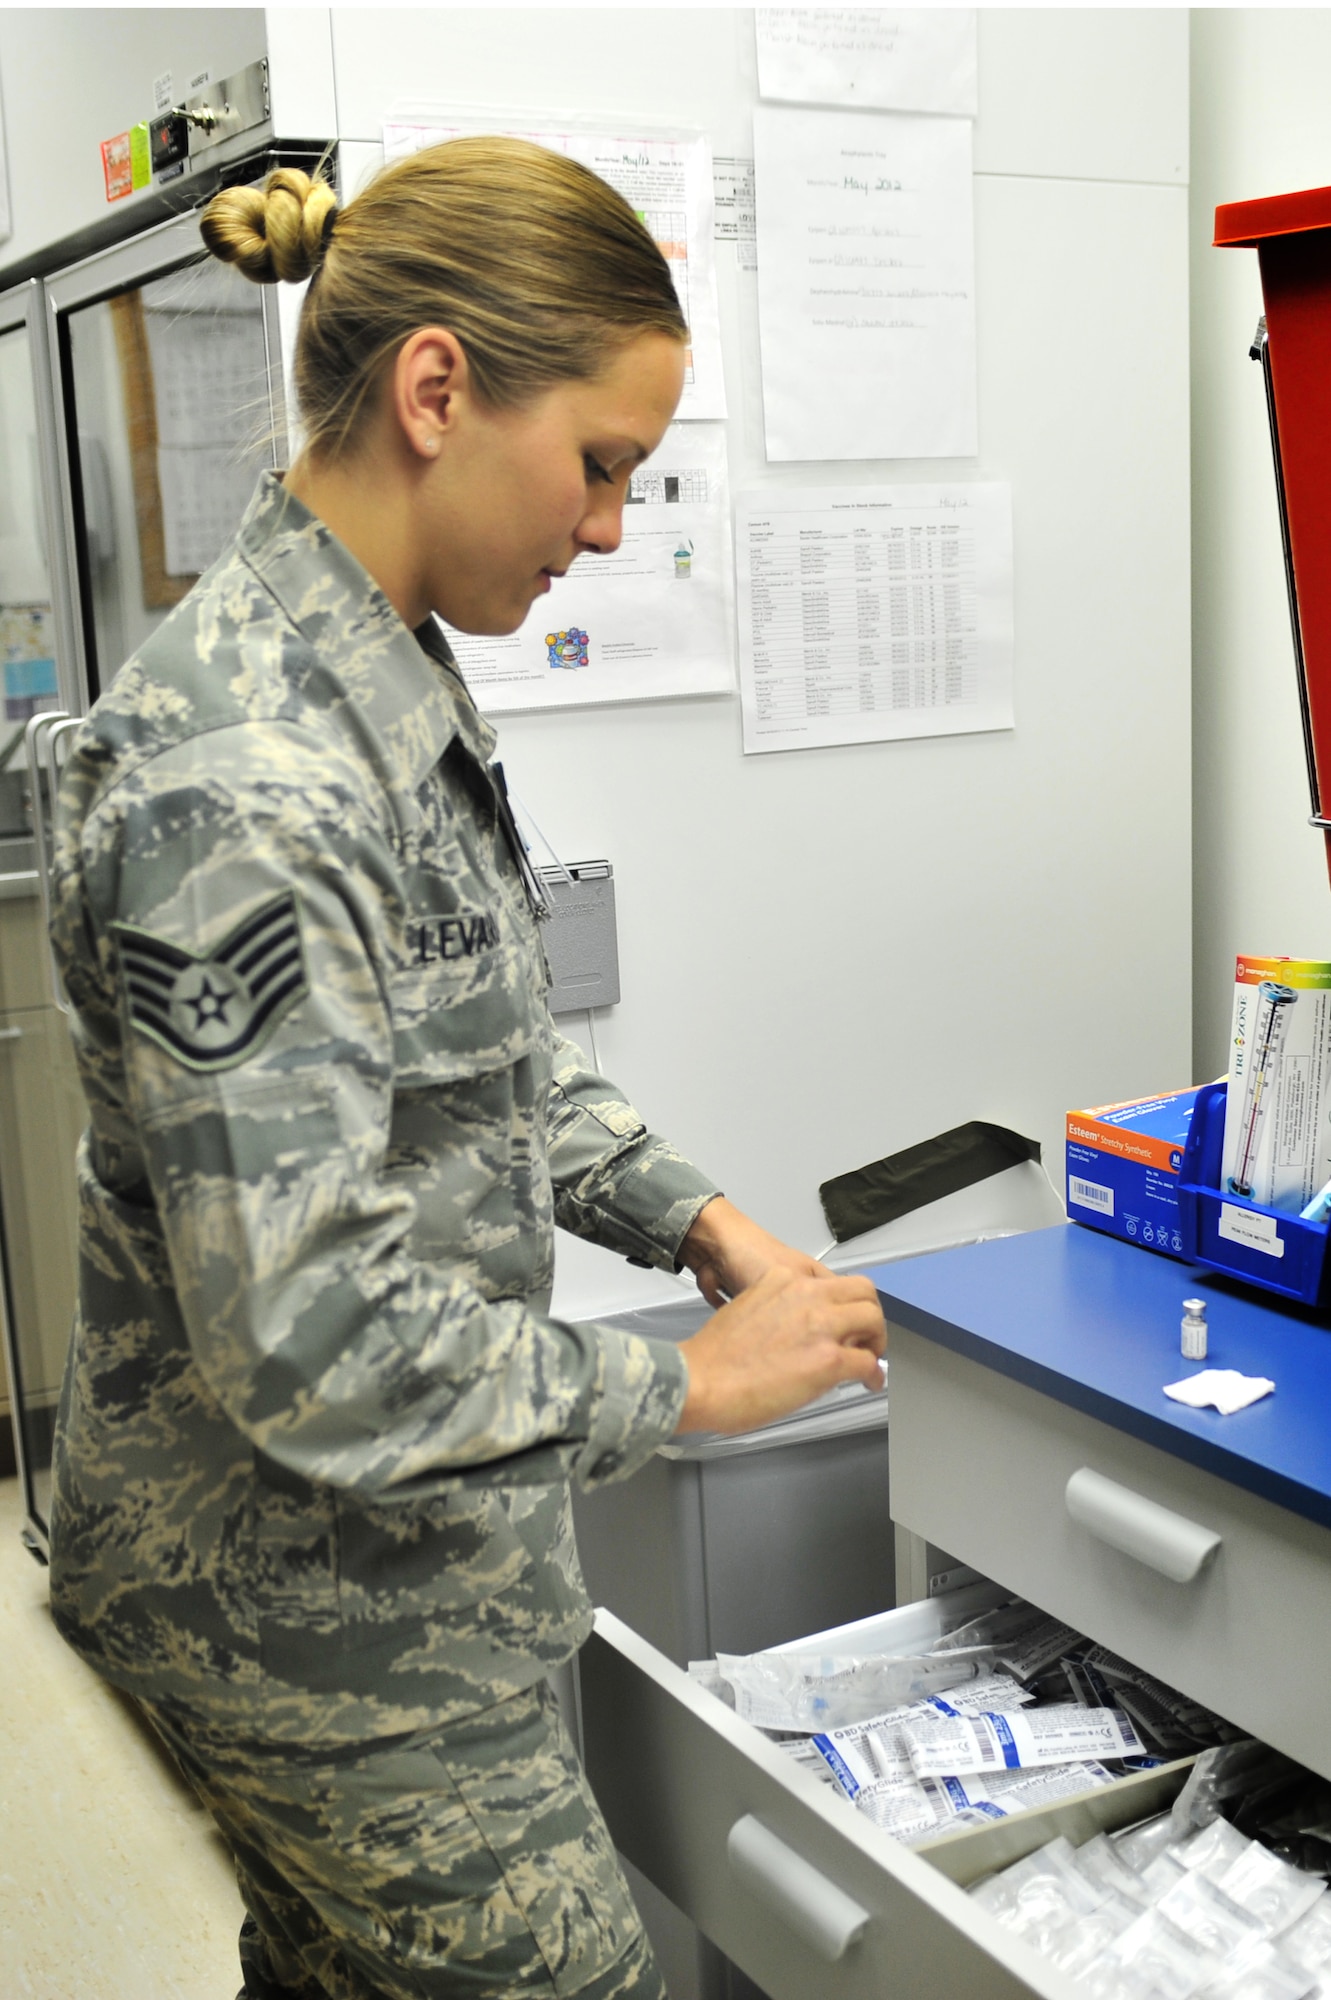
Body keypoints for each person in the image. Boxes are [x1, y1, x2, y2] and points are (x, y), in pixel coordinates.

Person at [47, 142, 887, 2000]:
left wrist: (699, 1220)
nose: (608, 528)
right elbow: (312, 1338)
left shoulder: (375, 678)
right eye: (599, 464)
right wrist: (686, 1392)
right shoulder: (254, 776)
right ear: (438, 391)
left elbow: (470, 1058)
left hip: (393, 1551)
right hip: (291, 1595)